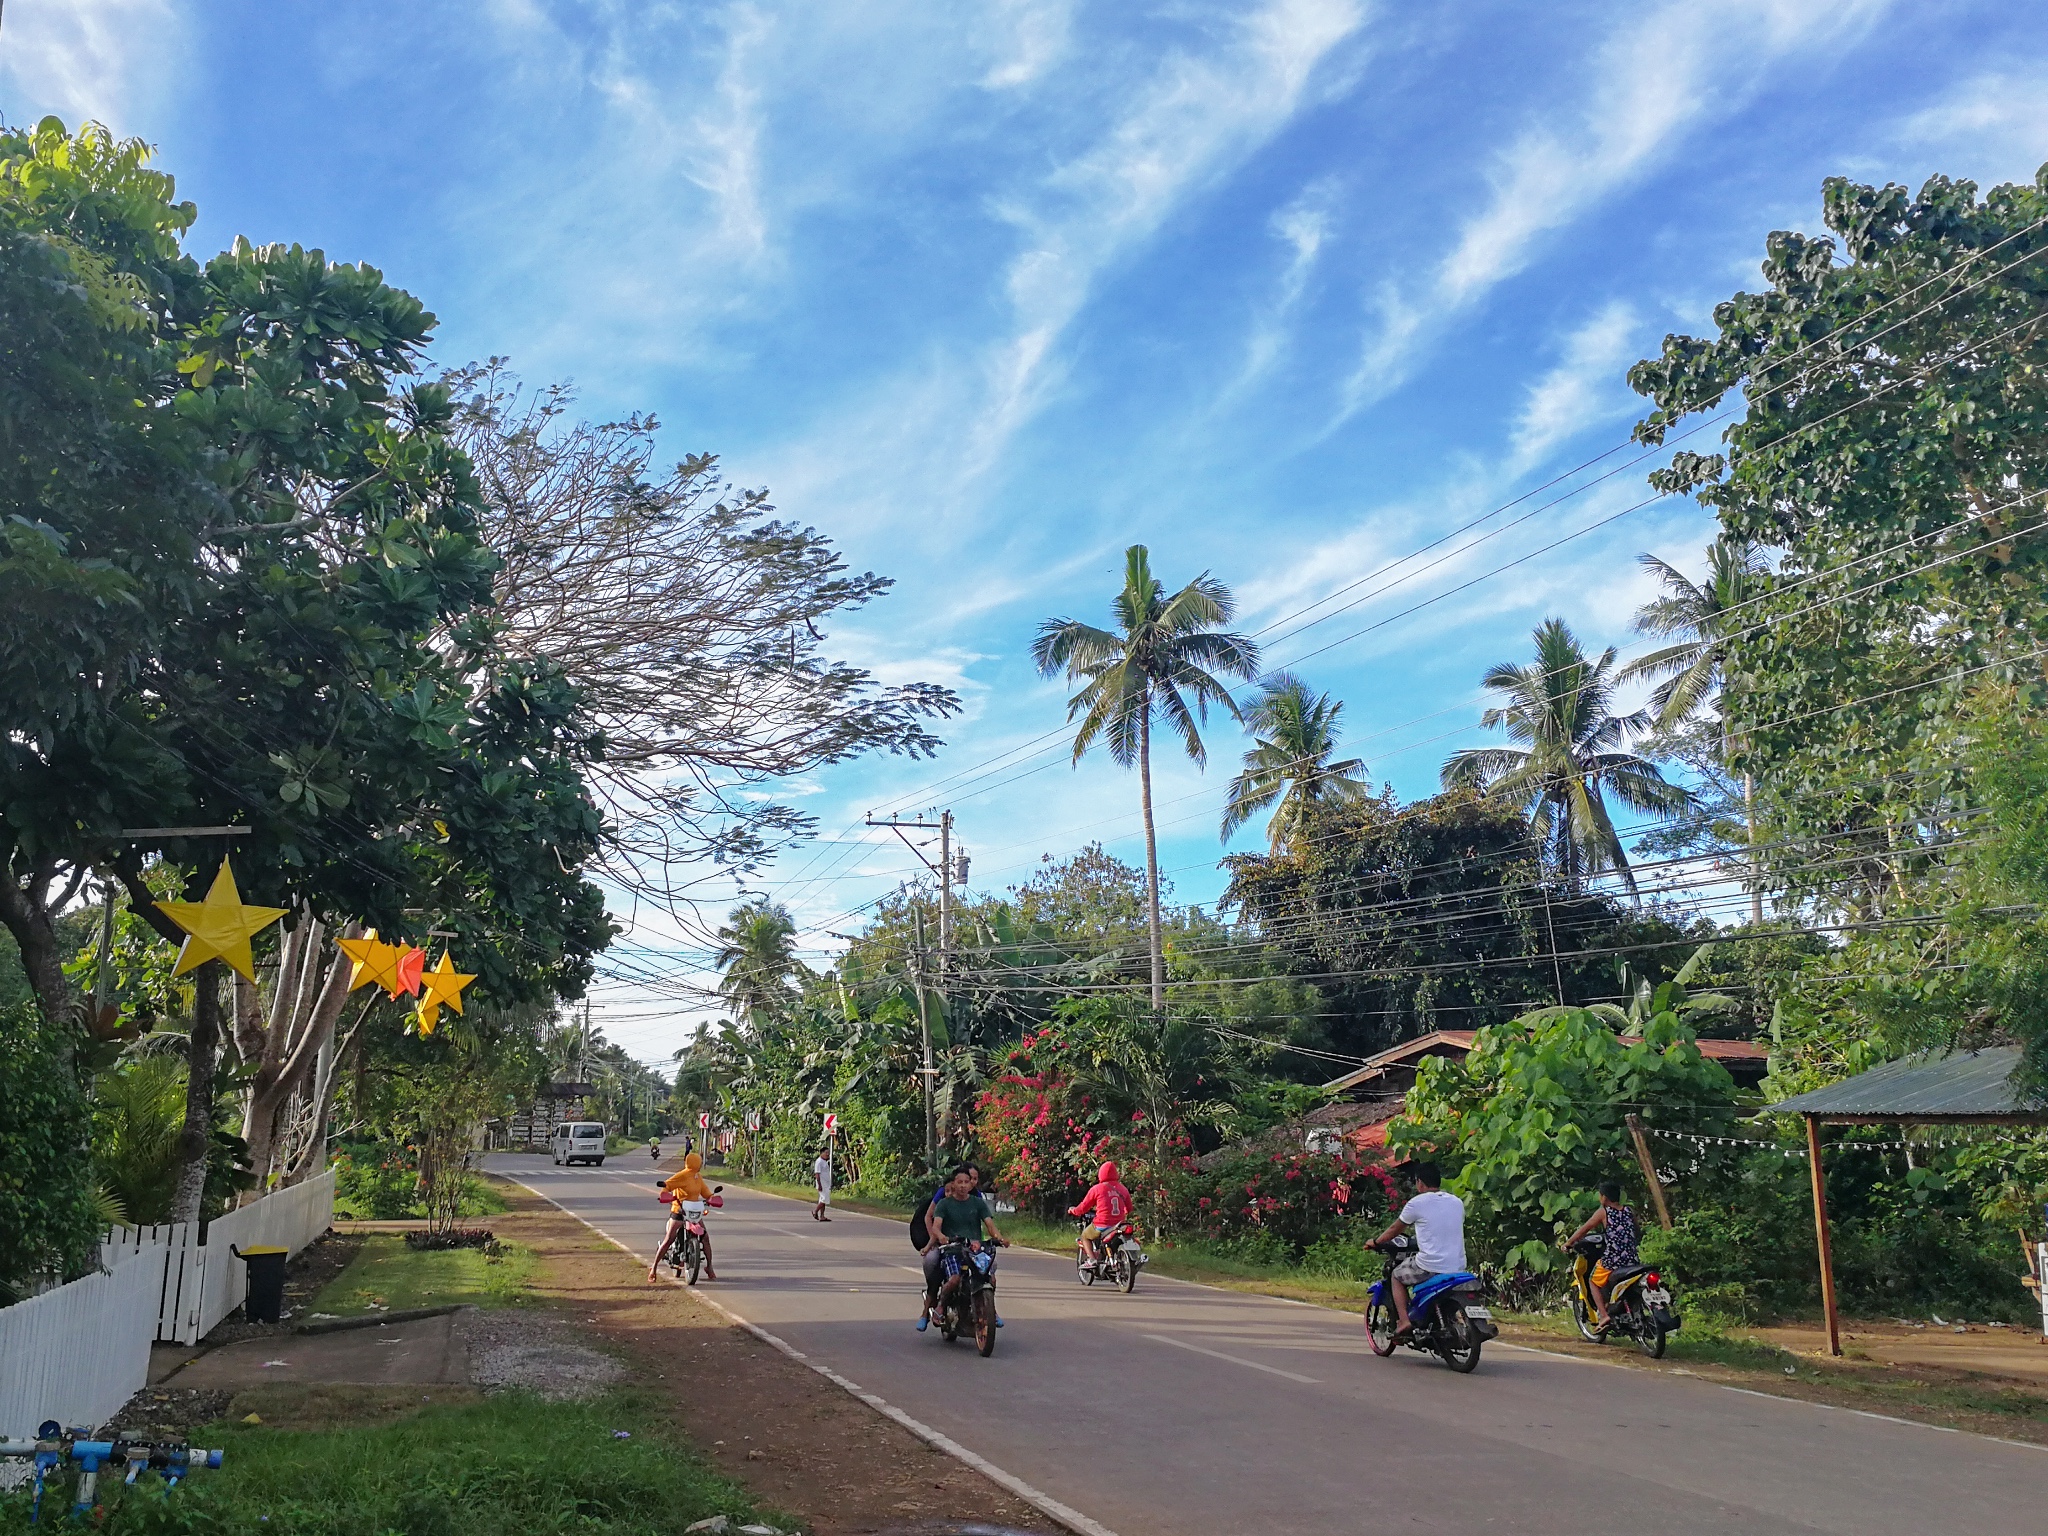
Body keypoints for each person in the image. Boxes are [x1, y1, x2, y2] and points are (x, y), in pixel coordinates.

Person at [1367, 1161, 1465, 1338]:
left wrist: (1376, 1241)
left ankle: (1404, 1321)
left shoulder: (1416, 1203)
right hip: (1457, 1265)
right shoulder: (1456, 1202)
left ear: (1420, 1182)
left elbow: (1395, 1229)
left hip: (1430, 1265)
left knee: (1396, 1275)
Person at [917, 1164, 1007, 1331]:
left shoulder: (978, 1203)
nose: (964, 1185)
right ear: (954, 1183)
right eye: (960, 1182)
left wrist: (999, 1238)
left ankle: (990, 1311)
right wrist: (941, 1237)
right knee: (954, 1279)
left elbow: (990, 1225)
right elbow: (936, 1225)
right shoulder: (944, 1204)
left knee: (990, 1278)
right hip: (953, 1250)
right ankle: (940, 1307)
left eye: (967, 1182)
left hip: (975, 1250)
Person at [1561, 1180, 1641, 1333]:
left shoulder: (1604, 1211)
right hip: (1632, 1259)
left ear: (1604, 1197)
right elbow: (1636, 1232)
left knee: (1593, 1282)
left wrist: (1568, 1243)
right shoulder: (1629, 1211)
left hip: (1614, 1258)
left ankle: (1604, 1316)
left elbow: (1584, 1230)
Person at [649, 1150, 717, 1282]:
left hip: (694, 1212)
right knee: (669, 1238)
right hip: (679, 1210)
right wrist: (664, 1193)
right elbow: (667, 1184)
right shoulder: (682, 1175)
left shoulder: (697, 1177)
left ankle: (709, 1267)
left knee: (705, 1238)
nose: (700, 1164)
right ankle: (653, 1268)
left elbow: (705, 1192)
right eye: (698, 1161)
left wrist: (712, 1198)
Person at [1068, 1160, 1134, 1269]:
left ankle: (1092, 1259)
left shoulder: (1097, 1189)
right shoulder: (1123, 1189)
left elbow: (1083, 1207)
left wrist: (1073, 1210)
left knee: (1085, 1236)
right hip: (1119, 1225)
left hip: (1102, 1225)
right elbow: (1129, 1208)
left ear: (1101, 1174)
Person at [812, 1147, 833, 1221]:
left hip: (826, 1184)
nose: (828, 1154)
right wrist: (819, 1185)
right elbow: (817, 1174)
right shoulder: (819, 1162)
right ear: (822, 1153)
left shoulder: (824, 1162)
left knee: (823, 1200)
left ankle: (822, 1216)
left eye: (828, 1153)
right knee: (823, 1200)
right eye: (826, 1152)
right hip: (822, 1184)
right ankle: (815, 1211)